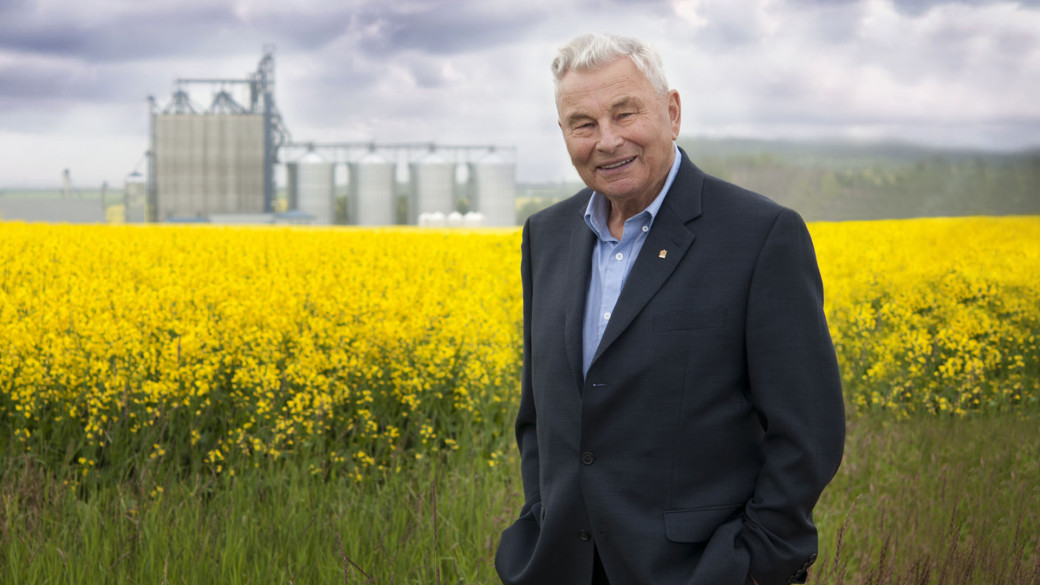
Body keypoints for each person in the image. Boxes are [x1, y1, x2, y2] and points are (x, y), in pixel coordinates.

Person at [495, 33, 846, 585]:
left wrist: (753, 564)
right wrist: (540, 515)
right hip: (562, 564)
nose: (607, 141)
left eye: (624, 113)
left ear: (672, 112)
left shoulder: (761, 235)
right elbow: (540, 414)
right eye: (583, 123)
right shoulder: (547, 234)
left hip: (702, 571)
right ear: (564, 134)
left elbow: (809, 433)